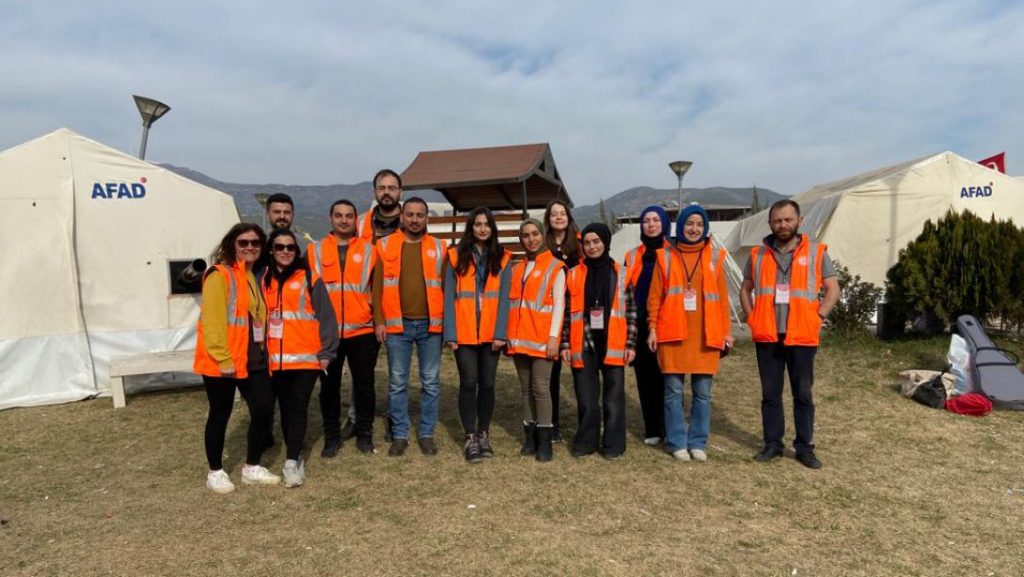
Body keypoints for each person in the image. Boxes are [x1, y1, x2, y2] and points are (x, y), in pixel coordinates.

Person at [739, 199, 839, 469]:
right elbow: (745, 289)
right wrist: (752, 318)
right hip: (768, 336)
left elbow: (832, 288)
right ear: (770, 223)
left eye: (787, 219)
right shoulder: (757, 255)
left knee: (803, 394)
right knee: (770, 394)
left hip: (802, 336)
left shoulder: (817, 252)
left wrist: (818, 316)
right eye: (777, 220)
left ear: (799, 221)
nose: (782, 225)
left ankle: (804, 447)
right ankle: (773, 444)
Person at [193, 223, 279, 493]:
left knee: (264, 408)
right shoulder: (219, 275)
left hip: (252, 356)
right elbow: (214, 321)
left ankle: (252, 466)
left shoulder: (251, 275)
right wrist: (223, 358)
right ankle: (215, 471)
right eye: (243, 243)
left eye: (255, 243)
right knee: (220, 414)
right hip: (223, 360)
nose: (250, 247)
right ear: (232, 244)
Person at [647, 205, 734, 462]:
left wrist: (726, 332)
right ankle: (676, 442)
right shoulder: (664, 257)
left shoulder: (716, 258)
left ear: (705, 228)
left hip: (706, 336)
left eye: (699, 224)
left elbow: (722, 300)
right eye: (689, 224)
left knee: (703, 393)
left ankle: (698, 441)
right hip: (672, 334)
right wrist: (652, 328)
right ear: (680, 226)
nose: (694, 229)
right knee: (673, 392)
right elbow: (655, 298)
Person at [262, 228, 339, 487]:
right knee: (285, 408)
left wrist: (327, 352)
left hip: (307, 359)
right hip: (276, 360)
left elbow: (327, 317)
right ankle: (293, 449)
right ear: (271, 250)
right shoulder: (263, 279)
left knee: (298, 406)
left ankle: (292, 461)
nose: (285, 252)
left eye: (290, 247)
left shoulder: (309, 276)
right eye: (280, 247)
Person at [373, 198, 447, 457]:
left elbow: (447, 288)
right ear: (402, 217)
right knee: (397, 383)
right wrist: (379, 321)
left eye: (420, 215)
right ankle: (400, 434)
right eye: (410, 215)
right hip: (397, 326)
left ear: (427, 219)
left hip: (431, 325)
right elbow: (378, 287)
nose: (415, 219)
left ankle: (426, 434)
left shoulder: (440, 247)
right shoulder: (384, 245)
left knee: (430, 383)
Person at [309, 200, 380, 456]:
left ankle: (364, 433)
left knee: (364, 385)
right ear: (330, 218)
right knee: (329, 387)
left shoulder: (370, 250)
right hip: (327, 333)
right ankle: (332, 437)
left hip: (361, 330)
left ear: (355, 220)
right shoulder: (314, 250)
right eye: (338, 215)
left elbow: (378, 289)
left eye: (349, 216)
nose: (343, 220)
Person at [443, 208, 513, 463]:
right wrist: (450, 333)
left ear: (493, 228)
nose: (482, 229)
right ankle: (470, 436)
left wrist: (500, 334)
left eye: (487, 224)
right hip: (464, 332)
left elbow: (505, 299)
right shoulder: (454, 256)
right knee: (468, 382)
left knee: (488, 383)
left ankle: (484, 432)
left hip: (491, 333)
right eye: (478, 224)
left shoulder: (504, 258)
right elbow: (448, 296)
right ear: (470, 228)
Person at [561, 223, 636, 460]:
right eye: (587, 243)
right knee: (586, 398)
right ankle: (586, 442)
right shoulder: (573, 274)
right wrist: (564, 344)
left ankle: (613, 445)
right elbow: (565, 313)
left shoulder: (622, 273)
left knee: (614, 398)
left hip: (613, 343)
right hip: (583, 343)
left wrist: (631, 345)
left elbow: (632, 312)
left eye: (596, 241)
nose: (592, 247)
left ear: (605, 242)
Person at [506, 218, 567, 462]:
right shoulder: (517, 268)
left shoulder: (556, 266)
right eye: (526, 235)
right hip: (520, 339)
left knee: (540, 388)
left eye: (534, 234)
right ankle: (529, 437)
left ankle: (545, 440)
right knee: (525, 389)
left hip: (543, 339)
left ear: (542, 235)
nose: (531, 239)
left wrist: (554, 337)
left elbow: (559, 306)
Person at [623, 206, 671, 446]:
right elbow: (625, 290)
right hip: (640, 322)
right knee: (645, 376)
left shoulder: (675, 252)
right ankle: (652, 427)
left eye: (655, 220)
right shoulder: (632, 255)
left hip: (668, 321)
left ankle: (669, 427)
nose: (651, 225)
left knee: (668, 376)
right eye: (646, 221)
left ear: (664, 223)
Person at [542, 199, 581, 443]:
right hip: (552, 312)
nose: (558, 217)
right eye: (554, 213)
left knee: (579, 370)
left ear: (568, 216)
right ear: (548, 218)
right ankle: (551, 421)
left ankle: (584, 423)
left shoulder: (578, 243)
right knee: (551, 373)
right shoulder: (543, 245)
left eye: (562, 213)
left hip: (575, 311)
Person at [359, 169, 404, 242]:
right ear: (374, 193)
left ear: (401, 193)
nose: (386, 192)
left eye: (392, 188)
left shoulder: (416, 220)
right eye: (381, 188)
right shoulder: (360, 223)